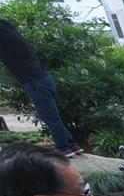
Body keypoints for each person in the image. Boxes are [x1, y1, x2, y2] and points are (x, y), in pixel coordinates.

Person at [0, 18, 82, 157]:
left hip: (35, 82)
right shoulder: (12, 34)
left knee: (50, 118)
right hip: (44, 79)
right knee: (54, 117)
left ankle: (63, 149)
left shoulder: (5, 39)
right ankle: (71, 144)